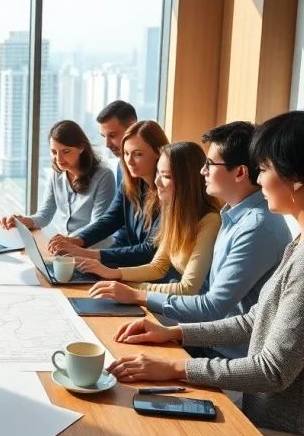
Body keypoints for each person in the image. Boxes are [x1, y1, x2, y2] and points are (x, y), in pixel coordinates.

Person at [106, 109, 304, 436]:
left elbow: (270, 371)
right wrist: (172, 333)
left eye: (264, 169)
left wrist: (174, 368)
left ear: (298, 178)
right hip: (263, 410)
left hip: (283, 432)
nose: (259, 181)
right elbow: (254, 320)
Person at [92, 122, 291, 359]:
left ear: (239, 173)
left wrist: (136, 293)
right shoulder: (232, 215)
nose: (202, 171)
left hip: (229, 355)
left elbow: (212, 306)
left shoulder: (256, 227)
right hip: (208, 338)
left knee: (123, 348)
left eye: (210, 164)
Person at [82, 141, 220, 295]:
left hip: (198, 307)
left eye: (166, 176)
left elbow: (188, 288)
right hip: (179, 301)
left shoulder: (210, 221)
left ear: (187, 182)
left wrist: (132, 288)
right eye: (158, 173)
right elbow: (158, 266)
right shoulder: (171, 212)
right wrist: (113, 273)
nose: (157, 182)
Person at [47, 120, 169, 268]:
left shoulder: (167, 192)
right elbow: (111, 219)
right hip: (130, 265)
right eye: (126, 153)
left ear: (158, 153)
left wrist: (91, 255)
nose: (129, 161)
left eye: (138, 154)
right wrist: (76, 241)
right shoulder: (130, 184)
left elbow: (149, 251)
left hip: (149, 273)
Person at [0, 120, 116, 242]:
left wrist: (66, 241)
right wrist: (22, 221)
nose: (58, 159)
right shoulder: (56, 174)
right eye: (54, 152)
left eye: (65, 151)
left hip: (93, 250)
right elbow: (45, 215)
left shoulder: (104, 176)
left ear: (81, 147)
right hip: (66, 249)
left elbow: (97, 224)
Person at [96, 100, 138, 191]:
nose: (107, 144)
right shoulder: (121, 164)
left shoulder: (159, 166)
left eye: (112, 135)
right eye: (104, 136)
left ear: (133, 127)